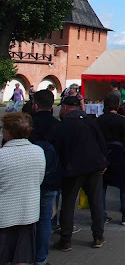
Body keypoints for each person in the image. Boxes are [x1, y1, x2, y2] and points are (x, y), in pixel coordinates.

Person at [55, 95, 109, 251]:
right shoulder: (90, 121)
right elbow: (101, 142)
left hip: (72, 169)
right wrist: (104, 161)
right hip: (94, 166)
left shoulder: (64, 124)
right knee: (96, 202)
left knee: (68, 203)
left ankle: (66, 239)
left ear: (65, 108)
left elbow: (59, 147)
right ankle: (98, 236)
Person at [0, 113, 45, 265]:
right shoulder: (38, 151)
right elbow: (38, 179)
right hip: (28, 212)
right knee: (23, 257)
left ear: (8, 132)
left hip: (4, 215)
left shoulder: (2, 155)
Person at [97, 92, 125, 225]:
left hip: (102, 154)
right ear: (117, 105)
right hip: (119, 153)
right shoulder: (122, 120)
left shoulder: (98, 120)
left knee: (102, 186)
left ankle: (101, 215)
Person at [29, 90, 62, 265]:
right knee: (44, 219)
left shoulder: (28, 125)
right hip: (50, 177)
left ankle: (22, 255)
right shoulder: (58, 125)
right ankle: (40, 258)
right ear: (52, 105)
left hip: (28, 179)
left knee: (27, 219)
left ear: (35, 105)